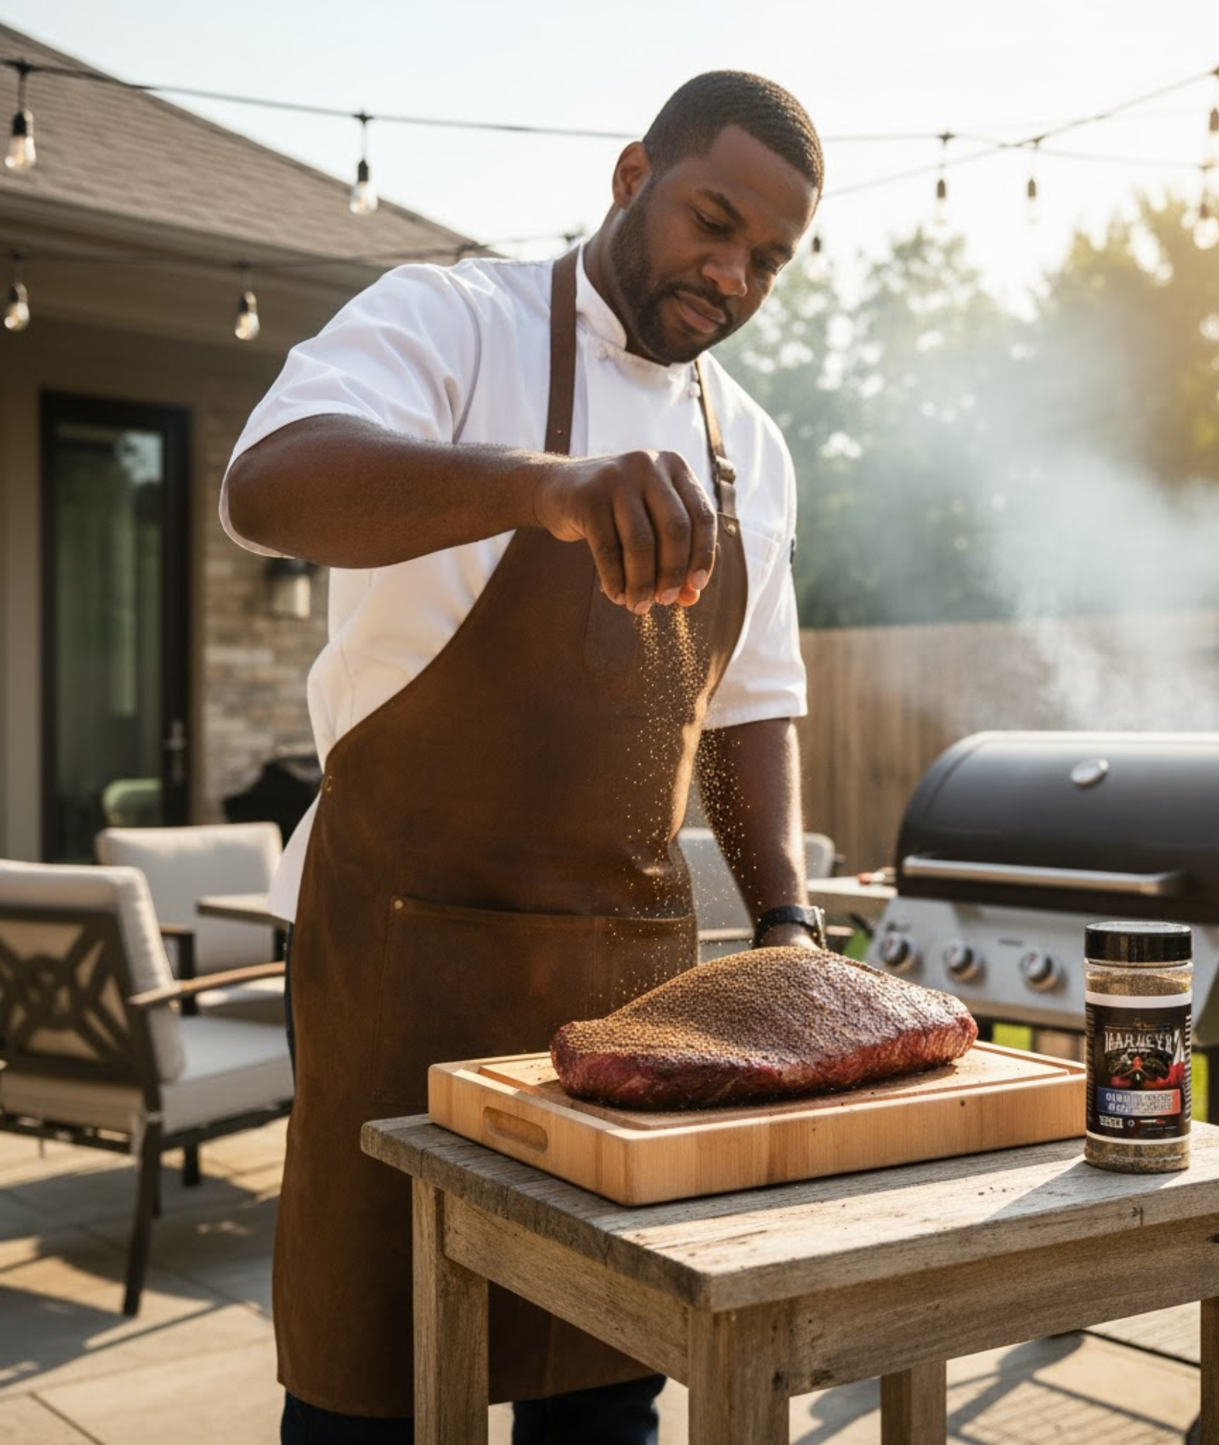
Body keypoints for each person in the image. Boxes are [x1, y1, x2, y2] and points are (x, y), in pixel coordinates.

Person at [223, 69, 826, 1445]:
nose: (732, 276)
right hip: (401, 961)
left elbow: (752, 709)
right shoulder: (453, 321)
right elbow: (268, 484)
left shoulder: (752, 451)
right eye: (713, 223)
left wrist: (787, 923)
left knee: (602, 1391)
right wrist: (542, 487)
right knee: (371, 1387)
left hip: (626, 1003)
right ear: (633, 176)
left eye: (769, 257)